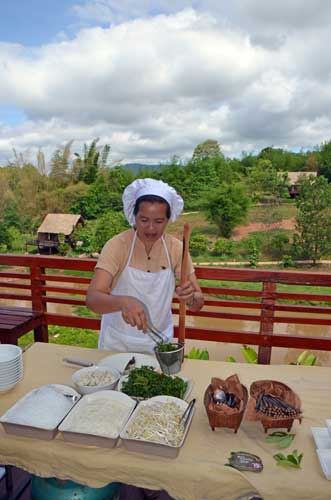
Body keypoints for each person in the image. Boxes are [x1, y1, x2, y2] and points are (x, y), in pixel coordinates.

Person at [86, 178, 204, 353]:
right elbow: (92, 299)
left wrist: (192, 297)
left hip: (159, 344)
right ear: (134, 217)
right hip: (118, 343)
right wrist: (123, 302)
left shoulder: (176, 248)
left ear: (168, 220)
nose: (150, 229)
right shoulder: (118, 245)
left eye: (158, 221)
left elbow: (197, 303)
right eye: (143, 220)